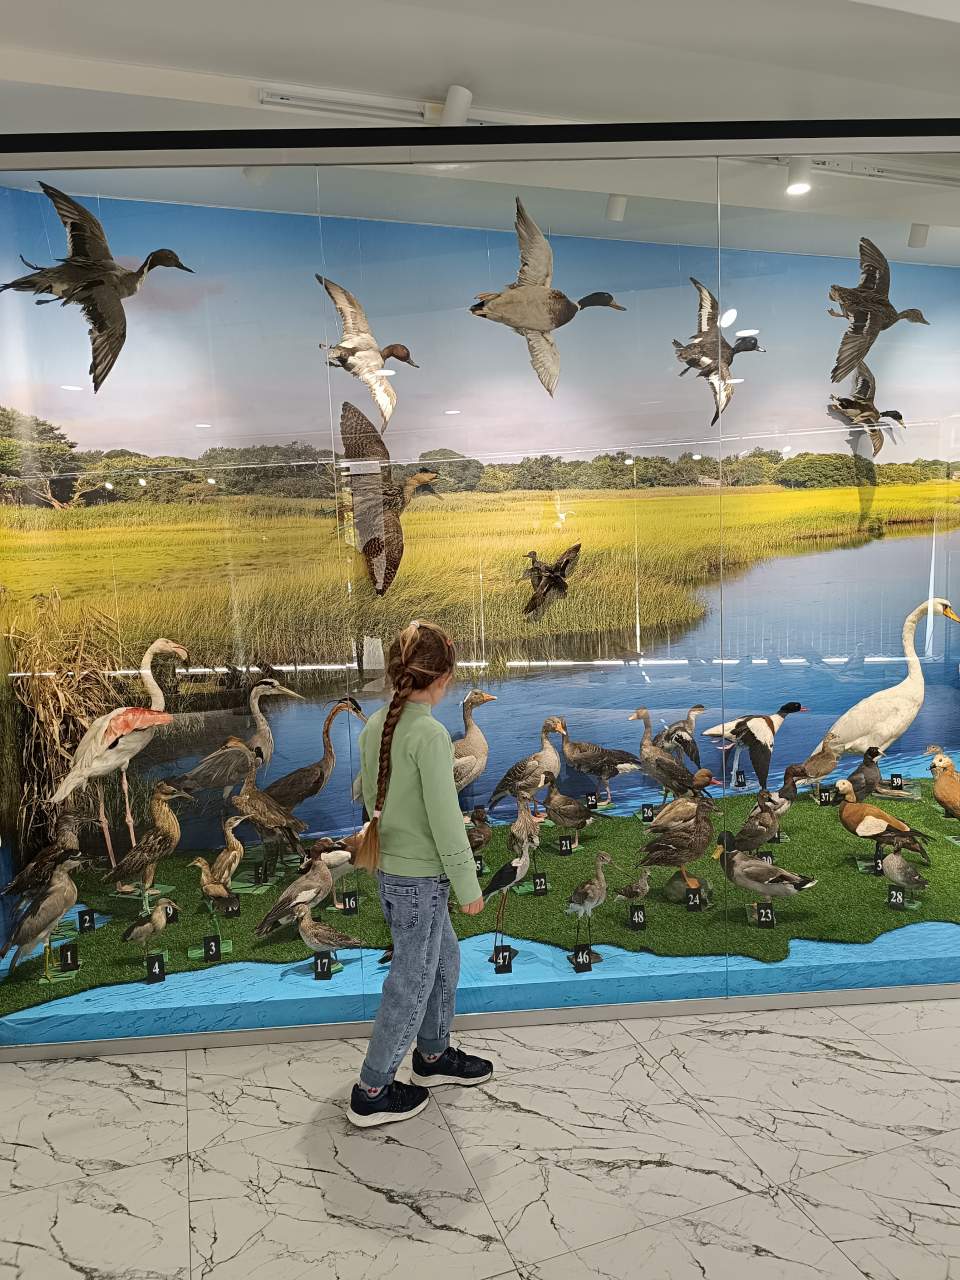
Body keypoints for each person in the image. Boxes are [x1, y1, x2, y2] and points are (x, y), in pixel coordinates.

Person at [347, 620, 493, 1128]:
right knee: (411, 980)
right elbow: (446, 819)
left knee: (443, 961)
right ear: (444, 678)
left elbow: (372, 798)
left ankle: (432, 1054)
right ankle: (371, 1089)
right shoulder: (429, 735)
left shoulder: (378, 724)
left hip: (396, 874)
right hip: (420, 883)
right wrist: (468, 884)